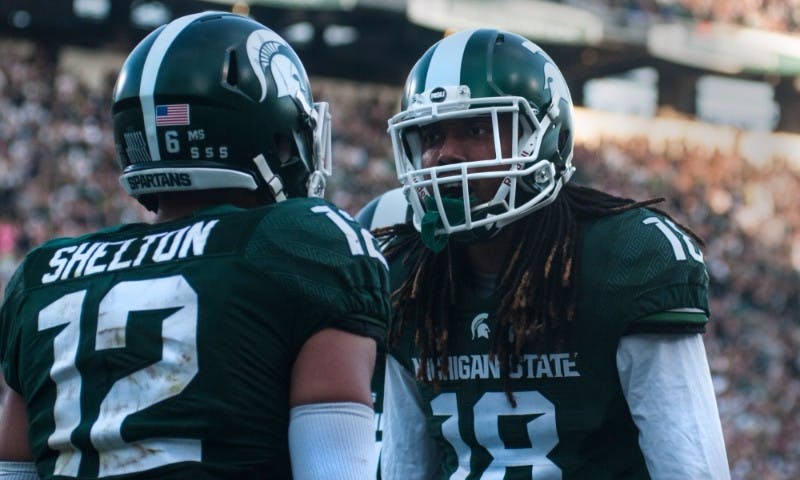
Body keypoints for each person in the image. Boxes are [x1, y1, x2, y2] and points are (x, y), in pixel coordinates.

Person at [0, 11, 390, 480]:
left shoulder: (44, 273)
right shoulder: (300, 246)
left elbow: (13, 470)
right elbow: (335, 470)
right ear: (275, 134)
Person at [358, 28, 730, 479]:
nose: (445, 156)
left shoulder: (621, 259)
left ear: (543, 138)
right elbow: (405, 467)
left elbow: (690, 467)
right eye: (432, 135)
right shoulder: (410, 276)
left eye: (476, 129)